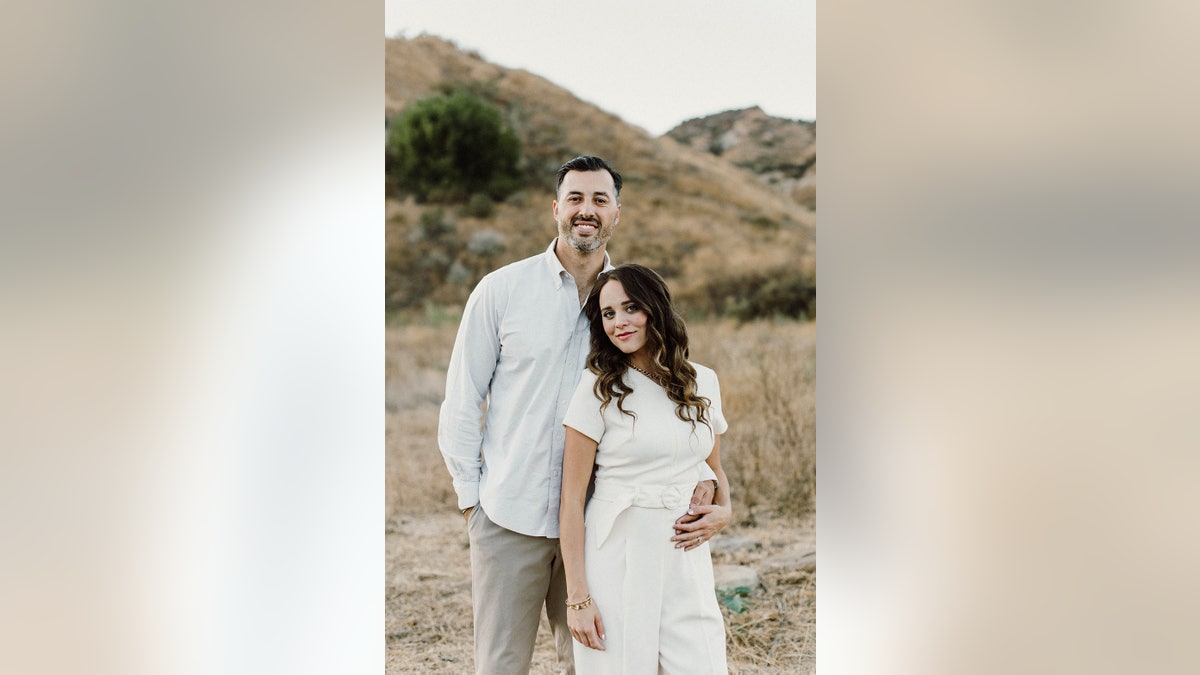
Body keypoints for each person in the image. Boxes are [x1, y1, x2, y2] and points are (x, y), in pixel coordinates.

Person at [438, 156, 727, 675]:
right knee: (500, 665)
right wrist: (471, 504)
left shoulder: (631, 300)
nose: (586, 210)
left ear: (617, 212)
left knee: (593, 663)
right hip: (510, 517)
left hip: (601, 525)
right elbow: (461, 402)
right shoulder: (501, 291)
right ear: (556, 209)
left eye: (599, 200)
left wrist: (704, 475)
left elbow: (670, 395)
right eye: (575, 198)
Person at [559, 263, 732, 673]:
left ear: (655, 308)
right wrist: (578, 597)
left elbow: (713, 469)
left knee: (702, 663)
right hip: (618, 551)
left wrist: (725, 511)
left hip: (684, 555)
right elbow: (570, 499)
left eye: (630, 308)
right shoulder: (597, 388)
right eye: (608, 314)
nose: (618, 323)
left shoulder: (702, 381)